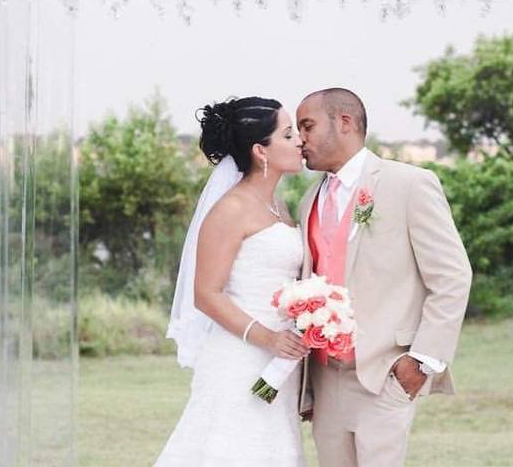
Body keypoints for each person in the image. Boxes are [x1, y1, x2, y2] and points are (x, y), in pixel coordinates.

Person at [295, 87, 473, 467]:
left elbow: (452, 277)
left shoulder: (408, 184)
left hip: (385, 373)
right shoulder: (308, 198)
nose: (300, 138)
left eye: (307, 126)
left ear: (344, 122)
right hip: (326, 378)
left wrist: (422, 361)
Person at [156, 96, 309, 466]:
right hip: (241, 357)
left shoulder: (280, 206)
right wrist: (268, 337)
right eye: (288, 135)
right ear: (261, 150)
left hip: (280, 360)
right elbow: (206, 295)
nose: (300, 141)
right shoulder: (231, 209)